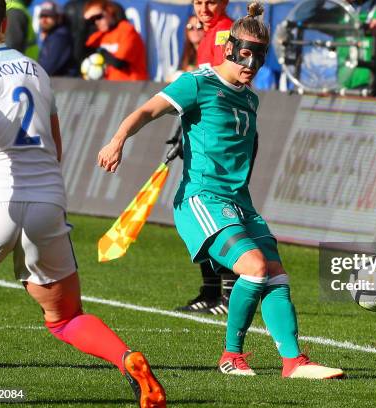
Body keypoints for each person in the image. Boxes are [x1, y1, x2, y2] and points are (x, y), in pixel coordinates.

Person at [98, 2, 344, 380]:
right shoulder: (196, 83)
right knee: (255, 268)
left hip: (238, 200)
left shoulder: (249, 98)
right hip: (202, 198)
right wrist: (117, 140)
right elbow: (147, 111)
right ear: (229, 49)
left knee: (276, 273)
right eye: (245, 55)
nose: (251, 64)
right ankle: (231, 356)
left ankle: (294, 362)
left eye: (258, 58)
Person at [0, 2, 165, 407]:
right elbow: (54, 140)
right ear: (4, 23)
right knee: (66, 318)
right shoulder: (36, 70)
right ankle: (127, 360)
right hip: (47, 199)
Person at [174, 0, 237, 315]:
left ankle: (227, 293)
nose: (204, 8)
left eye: (211, 1)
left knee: (216, 211)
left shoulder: (225, 31)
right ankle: (211, 290)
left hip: (219, 140)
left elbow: (222, 87)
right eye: (198, 1)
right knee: (197, 209)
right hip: (203, 135)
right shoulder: (212, 33)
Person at [83, 0, 148, 81]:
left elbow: (119, 63)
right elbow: (81, 54)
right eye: (92, 20)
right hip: (109, 88)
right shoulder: (99, 36)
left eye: (99, 17)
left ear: (109, 11)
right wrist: (84, 24)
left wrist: (101, 51)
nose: (96, 22)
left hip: (132, 86)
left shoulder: (127, 30)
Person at [38, 1, 79, 77]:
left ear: (59, 18)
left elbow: (47, 69)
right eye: (42, 16)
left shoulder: (60, 37)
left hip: (63, 86)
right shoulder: (53, 35)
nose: (44, 20)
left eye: (48, 16)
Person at [165, 15, 205, 82]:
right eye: (190, 27)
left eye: (199, 27)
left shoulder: (209, 51)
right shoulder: (188, 53)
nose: (195, 30)